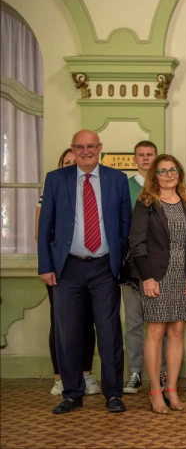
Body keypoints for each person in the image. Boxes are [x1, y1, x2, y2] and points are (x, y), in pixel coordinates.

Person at [38, 129, 131, 415]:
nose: (86, 151)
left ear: (100, 147)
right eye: (80, 147)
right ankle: (72, 394)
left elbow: (125, 225)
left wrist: (123, 265)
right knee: (67, 333)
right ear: (73, 149)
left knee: (109, 333)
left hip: (104, 268)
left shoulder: (117, 179)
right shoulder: (56, 179)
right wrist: (46, 266)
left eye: (91, 146)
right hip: (67, 269)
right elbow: (45, 226)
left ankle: (113, 394)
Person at [130, 154, 186, 414]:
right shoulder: (146, 203)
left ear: (179, 173)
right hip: (156, 277)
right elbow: (137, 243)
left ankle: (171, 389)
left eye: (173, 170)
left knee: (177, 332)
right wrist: (147, 277)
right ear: (155, 176)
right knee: (156, 333)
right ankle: (155, 391)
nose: (169, 175)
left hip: (183, 276)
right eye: (163, 171)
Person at [36, 148, 99, 397]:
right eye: (67, 162)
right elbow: (40, 233)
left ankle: (85, 373)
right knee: (61, 324)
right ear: (60, 166)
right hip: (59, 269)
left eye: (75, 162)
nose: (72, 165)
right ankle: (60, 377)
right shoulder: (51, 192)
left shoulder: (91, 191)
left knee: (87, 322)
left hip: (89, 267)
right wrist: (48, 265)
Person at [123, 140, 159, 394]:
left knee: (162, 322)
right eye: (141, 155)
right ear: (134, 158)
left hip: (160, 266)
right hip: (132, 266)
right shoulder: (125, 187)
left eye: (150, 154)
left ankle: (163, 371)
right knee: (134, 322)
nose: (146, 159)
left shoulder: (165, 185)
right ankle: (135, 372)